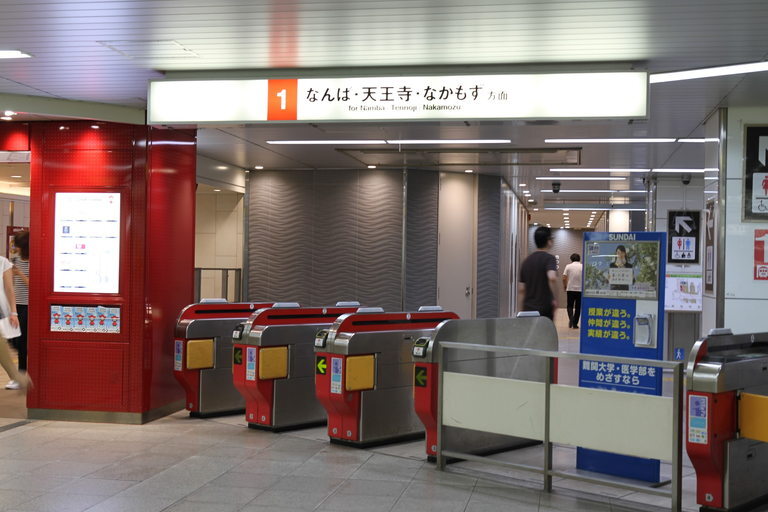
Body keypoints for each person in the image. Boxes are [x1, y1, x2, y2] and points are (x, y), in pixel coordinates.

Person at [0, 249, 29, 391]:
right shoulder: (12, 260)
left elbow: (9, 288)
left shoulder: (3, 262)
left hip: (24, 306)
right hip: (15, 306)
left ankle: (17, 374)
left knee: (13, 341)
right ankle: (16, 375)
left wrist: (13, 312)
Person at [518, 226, 558, 321]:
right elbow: (552, 277)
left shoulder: (526, 261)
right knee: (545, 330)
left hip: (528, 308)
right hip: (544, 309)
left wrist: (521, 309)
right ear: (548, 241)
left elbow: (521, 289)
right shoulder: (549, 258)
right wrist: (554, 299)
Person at [7, 231, 29, 390]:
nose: (16, 248)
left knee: (21, 341)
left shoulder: (33, 262)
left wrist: (19, 273)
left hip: (28, 305)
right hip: (16, 305)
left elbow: (32, 285)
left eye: (19, 245)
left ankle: (21, 376)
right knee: (11, 339)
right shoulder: (15, 260)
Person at [562, 253, 583, 329]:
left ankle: (571, 317)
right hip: (580, 290)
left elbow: (564, 278)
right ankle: (575, 324)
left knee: (570, 306)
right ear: (579, 259)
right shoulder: (582, 266)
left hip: (570, 289)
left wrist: (565, 286)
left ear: (571, 259)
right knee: (578, 307)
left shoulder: (568, 266)